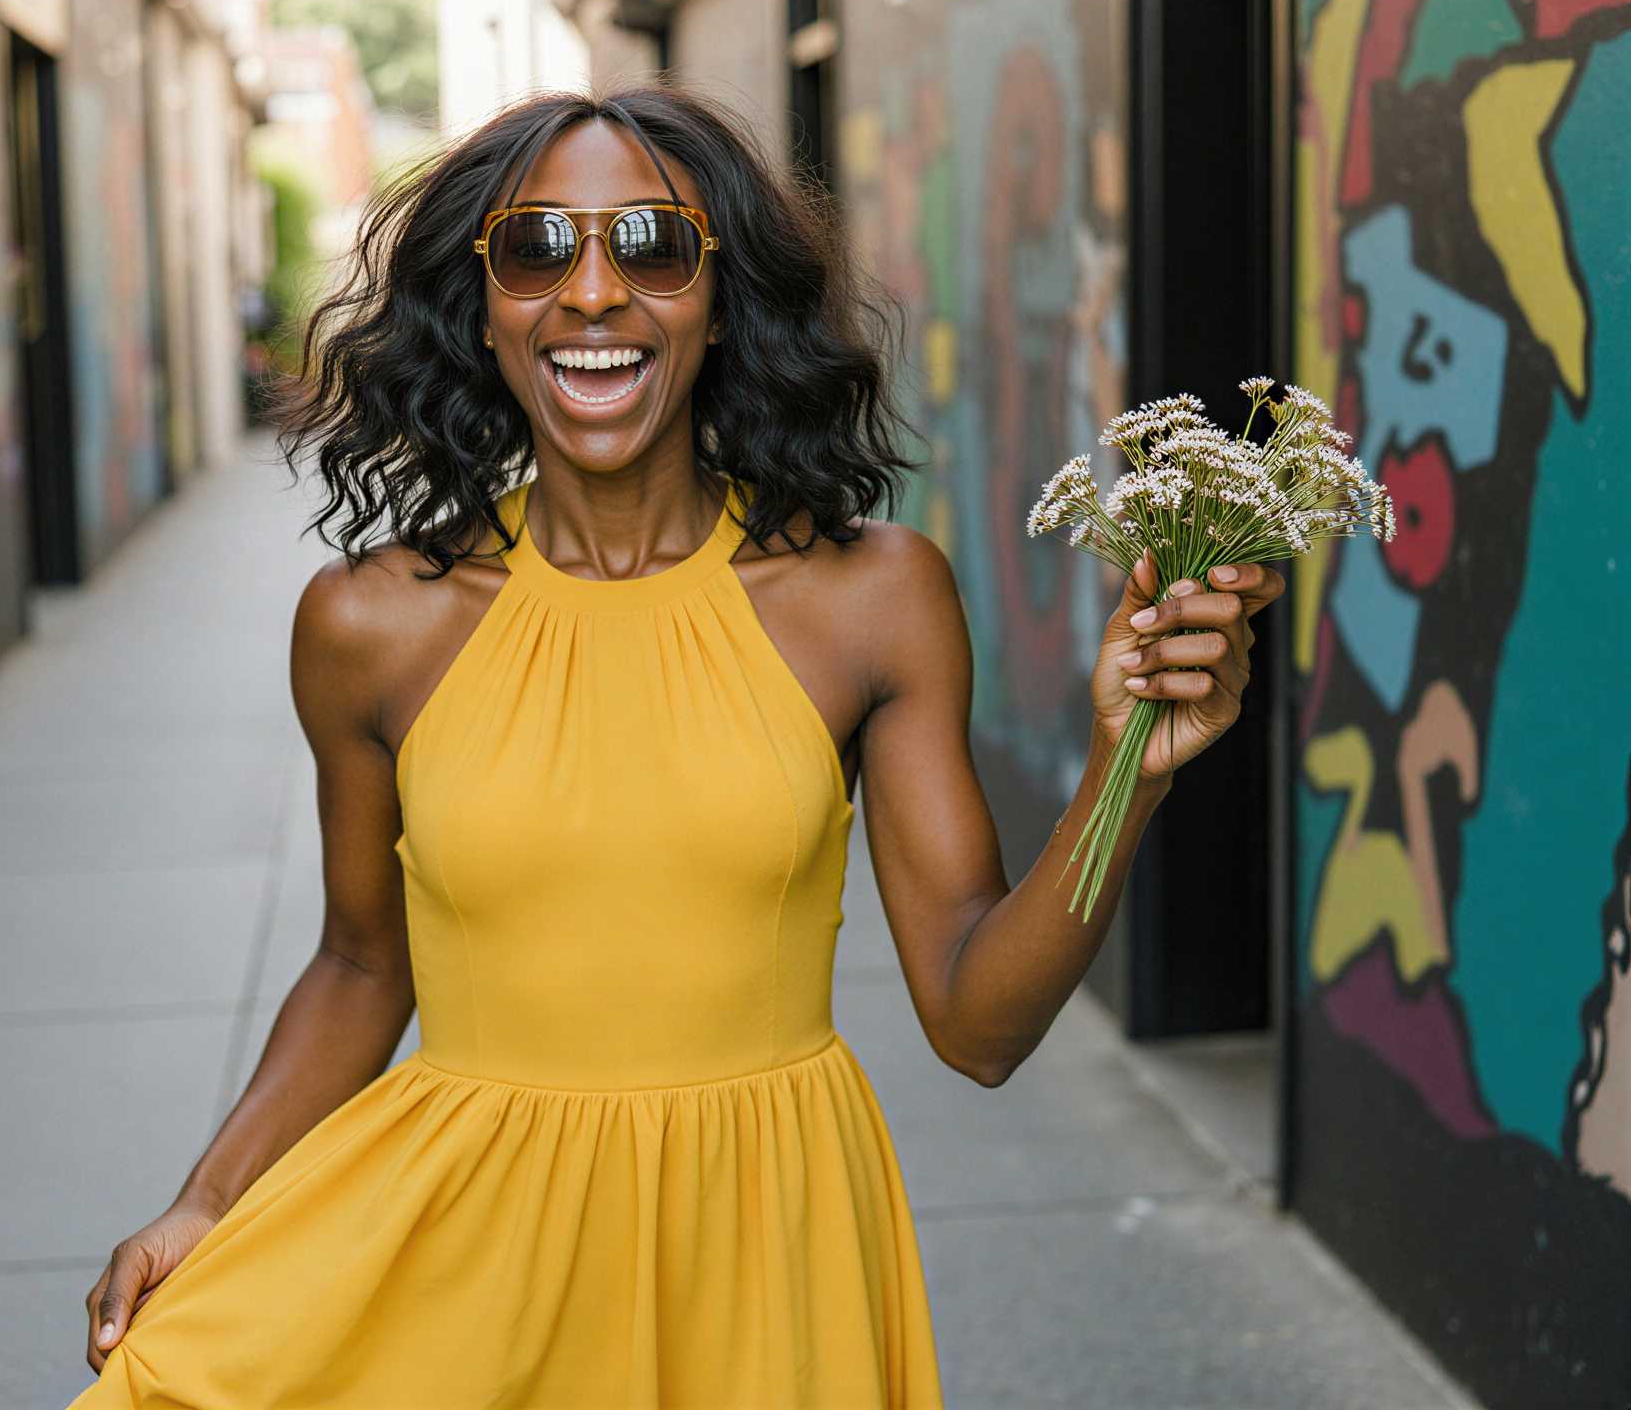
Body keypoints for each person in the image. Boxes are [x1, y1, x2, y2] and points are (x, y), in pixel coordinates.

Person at [72, 86, 1282, 1409]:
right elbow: (365, 963)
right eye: (538, 249)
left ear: (723, 294)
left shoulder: (871, 596)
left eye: (651, 244)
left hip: (764, 1255)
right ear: (480, 301)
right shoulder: (371, 625)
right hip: (469, 1265)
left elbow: (980, 1023)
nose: (593, 294)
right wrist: (208, 1200)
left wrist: (1129, 769)